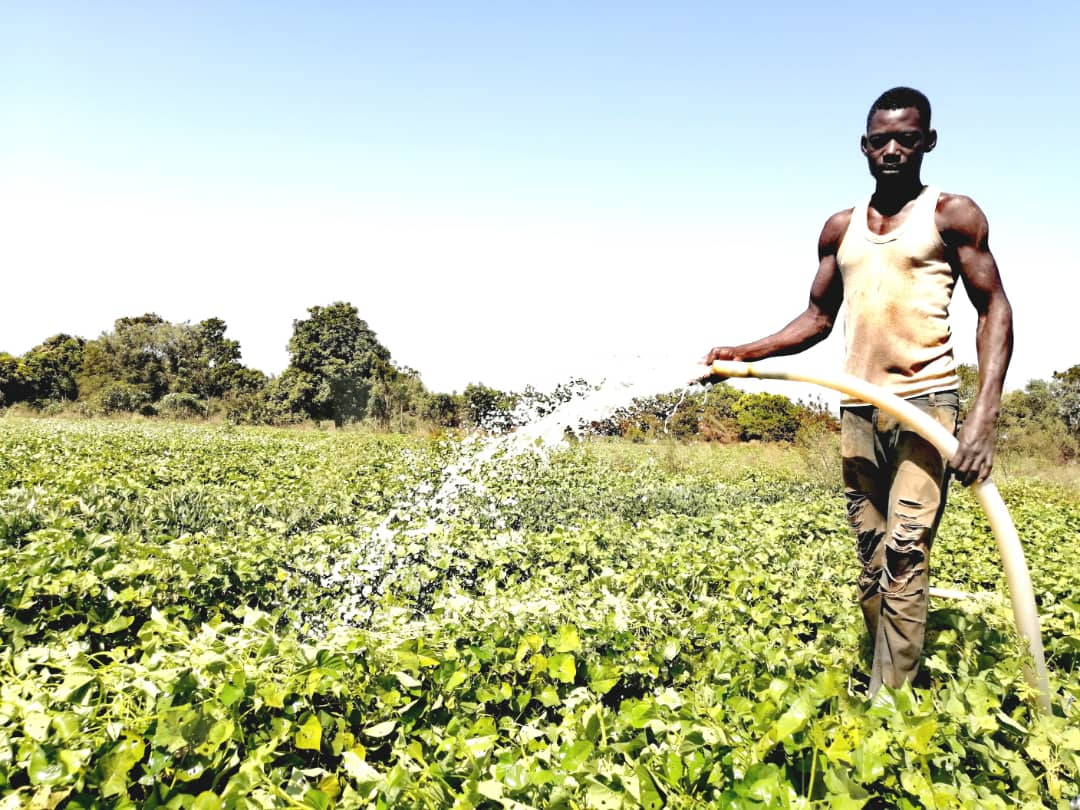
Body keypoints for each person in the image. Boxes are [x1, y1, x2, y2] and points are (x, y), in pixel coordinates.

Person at [700, 87, 1013, 694]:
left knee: (904, 551)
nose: (893, 149)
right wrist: (745, 351)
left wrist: (982, 416)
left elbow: (994, 308)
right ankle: (889, 673)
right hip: (857, 410)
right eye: (880, 139)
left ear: (928, 142)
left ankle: (888, 707)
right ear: (864, 147)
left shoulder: (951, 215)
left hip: (925, 407)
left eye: (907, 138)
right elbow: (816, 319)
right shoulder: (840, 228)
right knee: (872, 556)